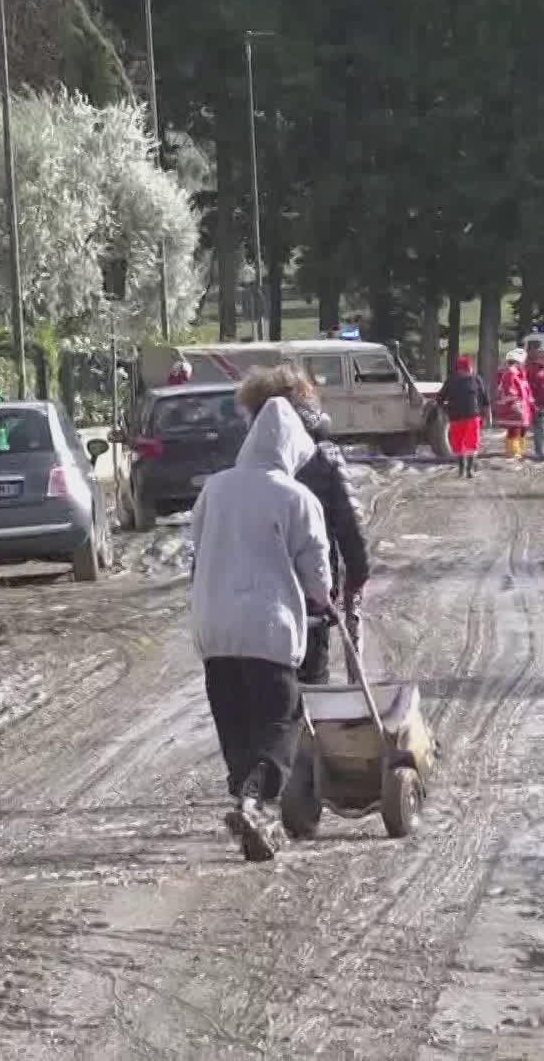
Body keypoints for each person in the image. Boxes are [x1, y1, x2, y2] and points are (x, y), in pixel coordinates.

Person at [189, 395, 332, 862]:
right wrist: (323, 601)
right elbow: (315, 566)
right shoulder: (296, 497)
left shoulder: (215, 488)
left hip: (215, 629)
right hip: (267, 630)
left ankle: (246, 804)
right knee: (279, 721)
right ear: (291, 447)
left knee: (235, 724)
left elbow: (198, 546)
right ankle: (254, 798)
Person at [234, 365, 370, 687]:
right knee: (311, 679)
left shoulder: (246, 463)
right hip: (311, 592)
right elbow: (349, 522)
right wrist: (357, 576)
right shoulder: (323, 457)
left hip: (255, 597)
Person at [441, 356, 489, 478]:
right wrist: (486, 414)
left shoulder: (451, 380)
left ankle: (461, 470)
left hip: (456, 417)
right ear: (470, 367)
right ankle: (469, 470)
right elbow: (484, 398)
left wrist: (446, 409)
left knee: (458, 442)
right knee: (472, 442)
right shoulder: (476, 379)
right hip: (473, 416)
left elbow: (440, 399)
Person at [493, 350, 535, 460]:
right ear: (517, 362)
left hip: (520, 408)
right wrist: (516, 405)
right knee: (514, 430)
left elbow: (526, 391)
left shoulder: (519, 374)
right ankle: (514, 452)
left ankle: (518, 451)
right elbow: (510, 391)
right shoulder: (510, 374)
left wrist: (530, 404)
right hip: (514, 408)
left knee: (519, 430)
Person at [525, 346, 544, 459]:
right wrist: (533, 403)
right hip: (537, 403)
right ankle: (539, 452)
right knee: (539, 428)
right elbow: (528, 387)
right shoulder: (532, 369)